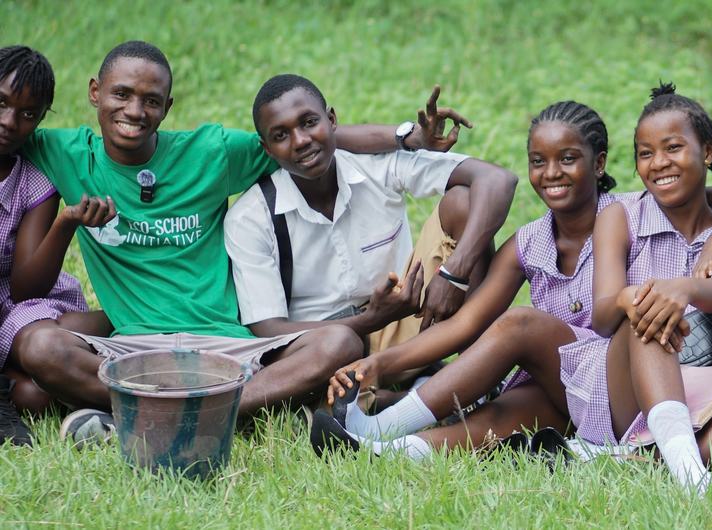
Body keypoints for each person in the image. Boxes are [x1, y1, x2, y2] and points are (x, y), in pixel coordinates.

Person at [9, 41, 462, 444]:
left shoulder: (210, 153)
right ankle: (218, 417)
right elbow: (10, 123)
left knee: (338, 344)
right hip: (136, 348)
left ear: (168, 106)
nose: (134, 110)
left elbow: (305, 139)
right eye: (121, 94)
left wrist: (406, 138)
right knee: (40, 347)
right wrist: (68, 221)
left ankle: (148, 419)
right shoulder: (61, 151)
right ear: (95, 93)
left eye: (151, 100)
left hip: (229, 347)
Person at [310, 100, 712, 462]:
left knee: (523, 327)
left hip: (629, 377)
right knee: (500, 417)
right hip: (563, 386)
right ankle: (382, 447)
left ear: (598, 164)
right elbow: (468, 324)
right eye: (538, 161)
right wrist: (383, 363)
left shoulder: (636, 210)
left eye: (568, 159)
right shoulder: (530, 243)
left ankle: (383, 425)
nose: (551, 174)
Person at [226, 74, 515, 392]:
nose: (300, 141)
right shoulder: (251, 217)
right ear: (267, 149)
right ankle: (399, 397)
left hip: (406, 319)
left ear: (332, 119)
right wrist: (370, 319)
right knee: (339, 344)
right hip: (322, 351)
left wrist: (454, 273)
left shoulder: (375, 166)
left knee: (463, 203)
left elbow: (497, 181)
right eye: (281, 135)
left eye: (309, 122)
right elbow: (269, 329)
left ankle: (477, 379)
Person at [581, 83, 712, 494]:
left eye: (673, 148)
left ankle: (637, 460)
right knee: (648, 312)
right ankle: (690, 481)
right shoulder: (621, 215)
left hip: (707, 387)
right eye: (645, 153)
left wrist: (689, 281)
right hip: (628, 388)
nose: (658, 163)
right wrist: (632, 297)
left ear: (706, 151)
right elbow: (601, 316)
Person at [0, 46, 117, 445]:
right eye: (0, 102)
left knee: (113, 326)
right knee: (32, 395)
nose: (9, 121)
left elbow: (25, 289)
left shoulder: (32, 180)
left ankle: (143, 336)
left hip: (21, 307)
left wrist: (66, 222)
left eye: (28, 113)